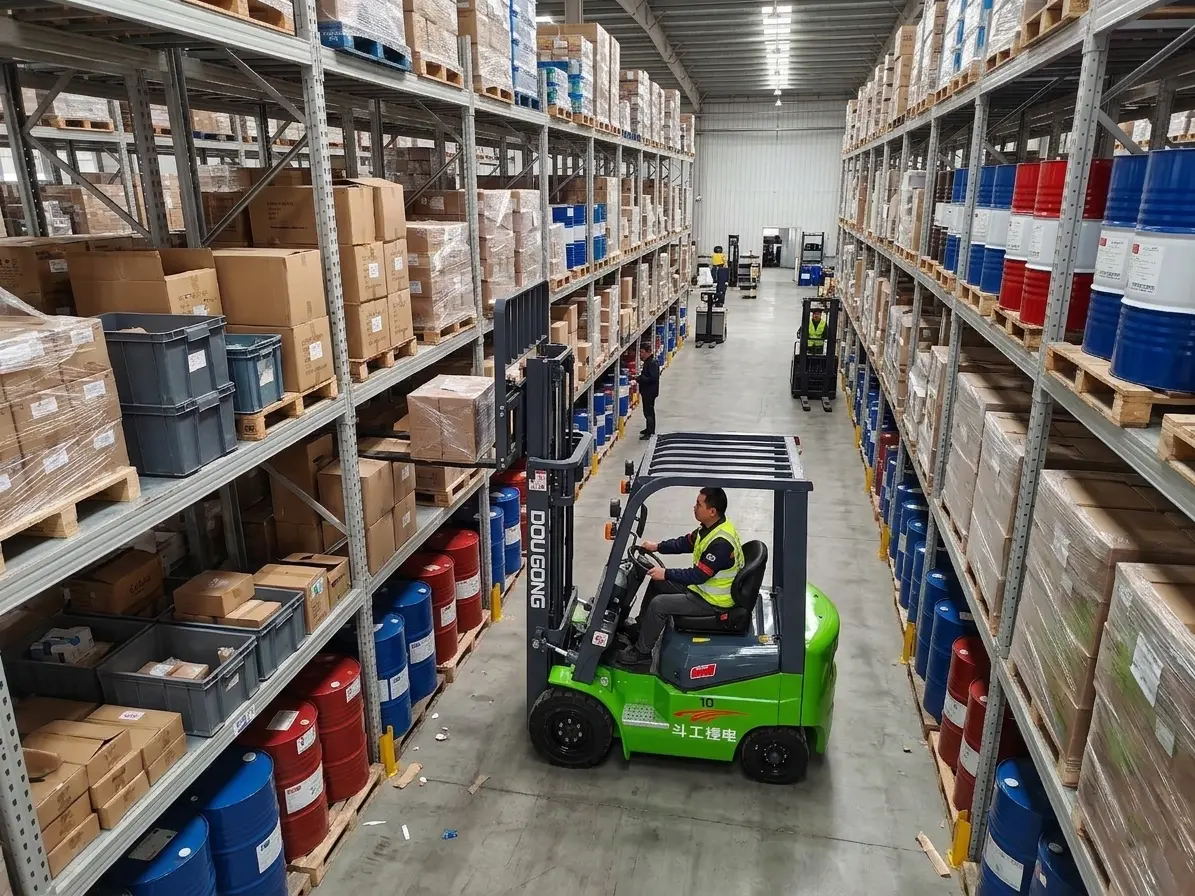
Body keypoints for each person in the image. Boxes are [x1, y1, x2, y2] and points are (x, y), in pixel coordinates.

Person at [617, 487, 744, 667]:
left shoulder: (721, 542)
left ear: (712, 511)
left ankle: (642, 654)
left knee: (659, 605)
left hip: (712, 601)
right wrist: (657, 546)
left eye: (699, 504)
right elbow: (685, 543)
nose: (694, 507)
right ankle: (640, 629)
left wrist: (666, 573)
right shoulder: (709, 528)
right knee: (657, 583)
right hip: (702, 589)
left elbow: (698, 575)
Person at [637, 343, 660, 440]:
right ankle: (648, 429)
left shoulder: (652, 363)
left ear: (648, 352)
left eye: (642, 352)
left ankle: (650, 432)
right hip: (647, 391)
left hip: (650, 392)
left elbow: (653, 378)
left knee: (649, 412)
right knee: (647, 412)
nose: (640, 355)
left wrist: (641, 378)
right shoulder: (648, 361)